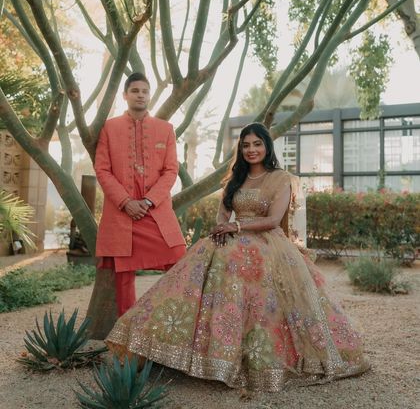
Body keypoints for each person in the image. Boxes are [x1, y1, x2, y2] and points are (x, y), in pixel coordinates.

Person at [105, 122, 369, 391]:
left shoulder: (281, 178)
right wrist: (223, 227)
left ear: (267, 146)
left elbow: (274, 219)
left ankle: (248, 356)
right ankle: (159, 339)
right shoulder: (236, 178)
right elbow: (223, 212)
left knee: (241, 269)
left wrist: (237, 226)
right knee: (194, 269)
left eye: (257, 144)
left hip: (267, 243)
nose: (251, 150)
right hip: (233, 237)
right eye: (245, 145)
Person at [94, 72, 186, 317]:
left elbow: (171, 170)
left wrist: (147, 201)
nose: (140, 95)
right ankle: (128, 337)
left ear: (150, 96)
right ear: (125, 95)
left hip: (154, 211)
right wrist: (126, 202)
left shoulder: (165, 129)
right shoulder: (110, 128)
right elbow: (102, 169)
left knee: (180, 260)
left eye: (145, 91)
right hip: (121, 214)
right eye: (135, 91)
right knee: (123, 278)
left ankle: (167, 322)